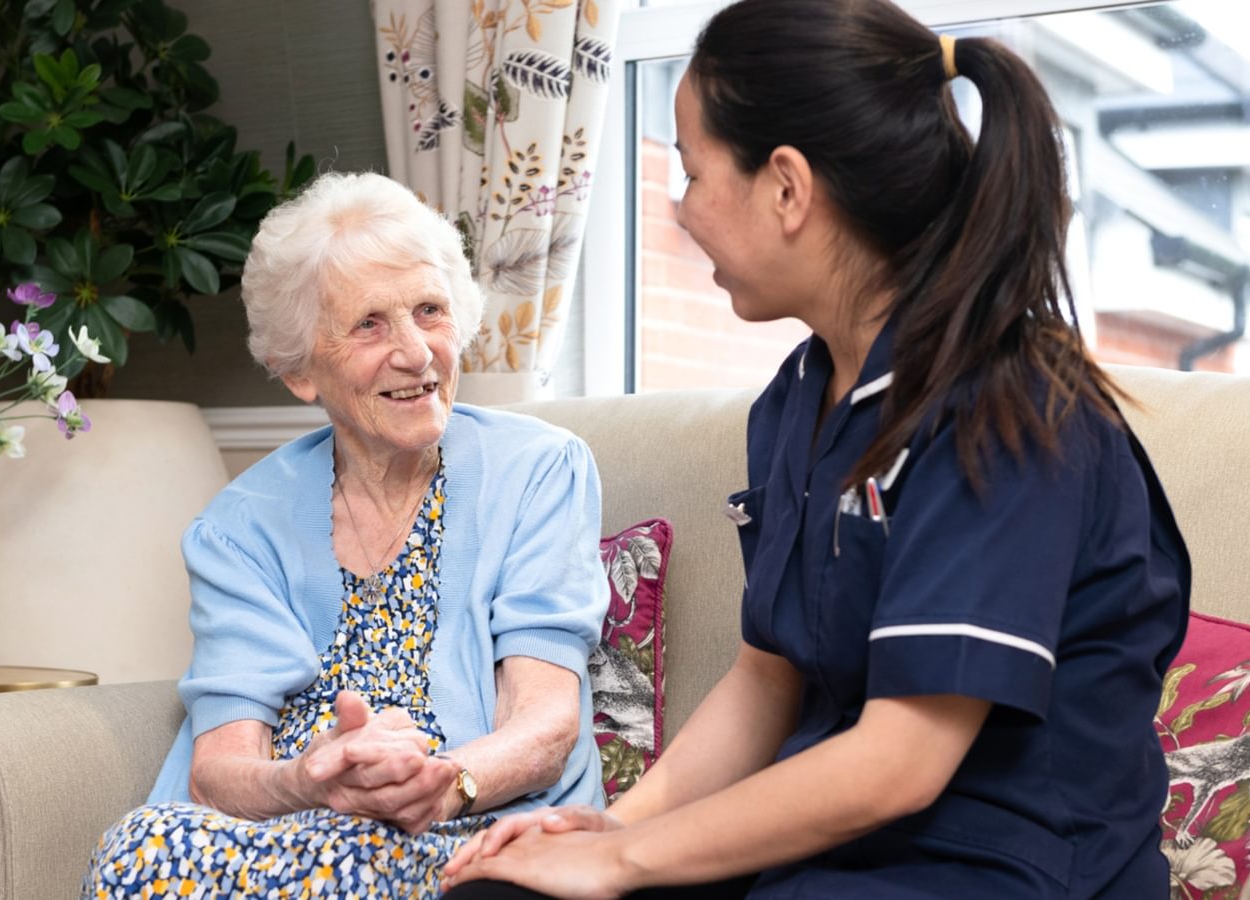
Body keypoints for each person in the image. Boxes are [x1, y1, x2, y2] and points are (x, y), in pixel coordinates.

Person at [441, 0, 1191, 897]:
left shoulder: (1012, 408)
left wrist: (620, 863)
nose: (681, 211)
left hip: (996, 865)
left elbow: (897, 766)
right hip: (834, 851)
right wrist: (612, 827)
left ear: (787, 187)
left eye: (692, 172)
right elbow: (767, 684)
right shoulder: (797, 402)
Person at [82, 171, 611, 899]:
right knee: (138, 847)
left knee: (361, 862)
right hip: (291, 830)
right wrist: (305, 779)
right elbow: (220, 770)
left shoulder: (539, 470)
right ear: (301, 370)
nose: (417, 353)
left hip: (468, 821)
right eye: (370, 324)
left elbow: (547, 723)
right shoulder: (242, 523)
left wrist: (443, 784)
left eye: (430, 311)